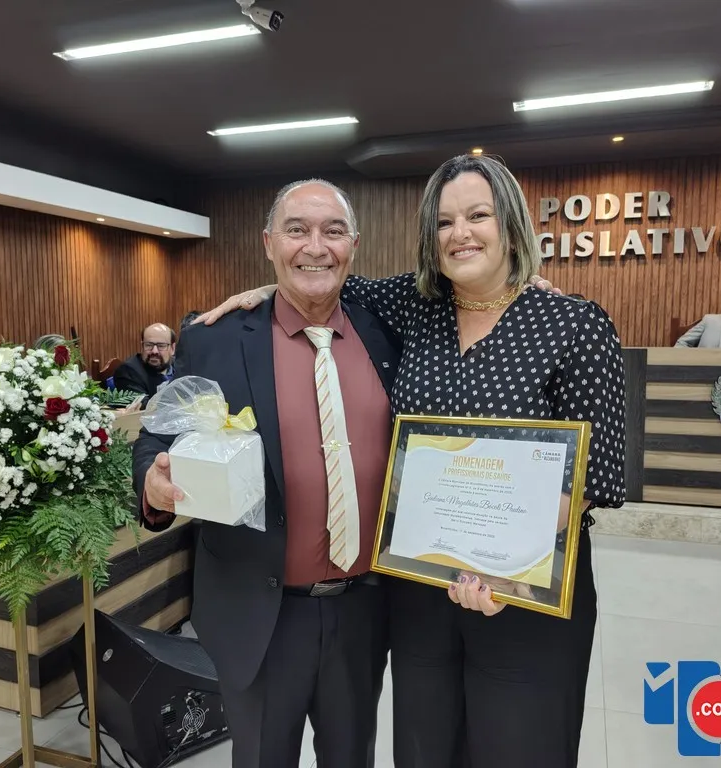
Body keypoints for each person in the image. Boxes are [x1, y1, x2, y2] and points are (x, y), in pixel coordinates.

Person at [199, 154, 626, 768]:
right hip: (422, 597)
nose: (460, 234)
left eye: (478, 216)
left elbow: (594, 475)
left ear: (511, 225)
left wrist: (502, 567)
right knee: (426, 749)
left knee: (519, 749)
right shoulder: (414, 307)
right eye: (444, 222)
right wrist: (264, 290)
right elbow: (320, 279)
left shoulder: (573, 324)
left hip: (523, 595)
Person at [134, 180, 400, 768]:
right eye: (296, 230)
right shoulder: (215, 339)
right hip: (258, 612)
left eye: (333, 231)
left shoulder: (386, 333)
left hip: (365, 608)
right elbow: (159, 432)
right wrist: (152, 481)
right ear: (269, 244)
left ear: (353, 246)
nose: (316, 246)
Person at [114, 323, 176, 397]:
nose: (154, 351)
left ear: (172, 348)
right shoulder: (128, 371)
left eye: (161, 346)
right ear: (142, 346)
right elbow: (144, 402)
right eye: (149, 345)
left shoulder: (180, 365)